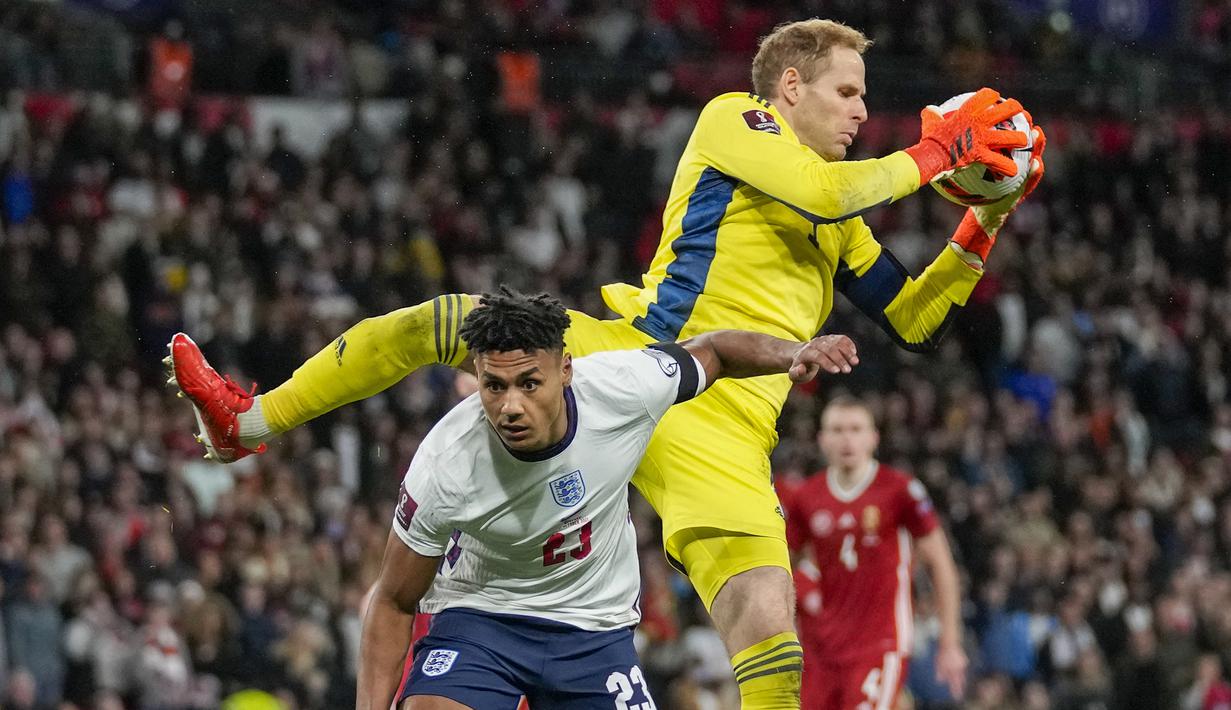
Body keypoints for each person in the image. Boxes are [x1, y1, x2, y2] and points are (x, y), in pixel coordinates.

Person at [170, 19, 1045, 708]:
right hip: (634, 360)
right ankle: (251, 421)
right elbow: (822, 186)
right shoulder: (734, 123)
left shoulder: (842, 220)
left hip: (731, 427)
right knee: (446, 321)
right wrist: (936, 151)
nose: (862, 112)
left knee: (770, 639)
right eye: (848, 92)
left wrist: (984, 218)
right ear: (789, 86)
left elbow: (914, 321)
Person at [334, 288, 859, 709]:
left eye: (529, 383)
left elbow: (716, 350)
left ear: (566, 370)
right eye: (494, 386)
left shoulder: (623, 387)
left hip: (594, 632)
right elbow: (395, 599)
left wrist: (794, 352)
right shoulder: (445, 464)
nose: (510, 406)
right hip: (481, 622)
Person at [780, 396, 967, 710]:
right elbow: (785, 571)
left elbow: (942, 564)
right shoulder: (806, 498)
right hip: (821, 651)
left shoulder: (900, 491)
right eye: (837, 430)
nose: (847, 439)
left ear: (873, 437)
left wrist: (950, 642)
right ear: (822, 439)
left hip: (879, 643)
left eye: (855, 429)